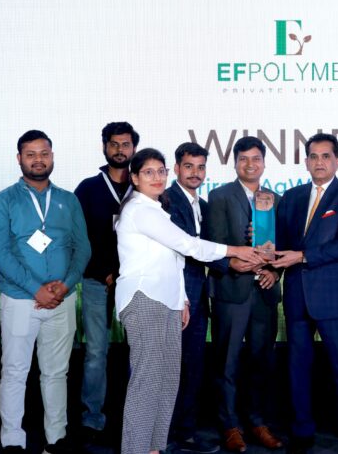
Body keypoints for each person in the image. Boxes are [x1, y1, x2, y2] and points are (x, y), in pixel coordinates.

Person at [115, 148, 263, 454]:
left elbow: (174, 260)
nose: (157, 178)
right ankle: (135, 449)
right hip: (145, 299)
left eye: (160, 171)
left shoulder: (158, 209)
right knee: (146, 382)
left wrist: (181, 299)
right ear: (134, 178)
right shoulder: (140, 210)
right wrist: (234, 251)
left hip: (168, 301)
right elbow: (186, 245)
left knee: (168, 379)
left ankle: (154, 448)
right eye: (148, 172)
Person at [0, 130, 91, 454]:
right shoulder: (3, 200)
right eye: (30, 154)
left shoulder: (68, 200)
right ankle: (13, 442)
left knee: (56, 373)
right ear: (19, 159)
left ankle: (55, 440)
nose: (38, 160)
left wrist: (66, 284)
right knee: (15, 372)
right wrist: (35, 289)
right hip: (20, 300)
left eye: (44, 153)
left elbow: (83, 248)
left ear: (52, 156)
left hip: (62, 300)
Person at [273, 133, 338, 454]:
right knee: (298, 368)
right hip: (297, 295)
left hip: (334, 297)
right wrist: (263, 242)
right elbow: (281, 243)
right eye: (313, 156)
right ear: (306, 162)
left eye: (326, 156)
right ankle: (302, 431)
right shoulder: (292, 197)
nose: (319, 162)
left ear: (337, 161)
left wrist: (301, 256)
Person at [206, 136, 283, 453]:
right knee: (227, 363)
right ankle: (230, 425)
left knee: (261, 361)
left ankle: (257, 422)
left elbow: (284, 246)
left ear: (264, 163)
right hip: (231, 291)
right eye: (243, 159)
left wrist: (275, 271)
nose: (250, 164)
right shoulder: (219, 196)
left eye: (256, 159)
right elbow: (211, 244)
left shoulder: (275, 199)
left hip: (264, 292)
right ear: (235, 163)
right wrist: (231, 262)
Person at [74, 121, 139, 444]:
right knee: (96, 352)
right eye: (114, 144)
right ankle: (92, 418)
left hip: (135, 283)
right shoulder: (88, 189)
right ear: (104, 147)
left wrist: (123, 272)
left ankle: (135, 417)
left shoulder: (144, 187)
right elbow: (78, 237)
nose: (119, 150)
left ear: (134, 149)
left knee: (138, 351)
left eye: (125, 144)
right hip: (97, 282)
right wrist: (104, 271)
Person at [160, 143, 219, 454]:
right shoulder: (165, 201)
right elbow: (188, 247)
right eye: (188, 166)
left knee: (193, 366)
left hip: (198, 297)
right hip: (172, 296)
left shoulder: (205, 206)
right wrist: (235, 257)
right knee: (169, 369)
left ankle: (186, 433)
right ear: (176, 168)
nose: (195, 173)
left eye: (200, 167)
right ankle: (162, 436)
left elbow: (211, 245)